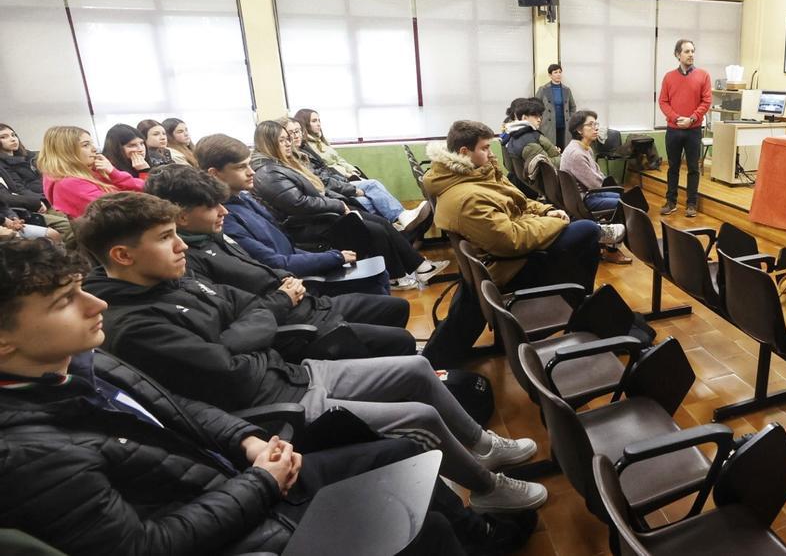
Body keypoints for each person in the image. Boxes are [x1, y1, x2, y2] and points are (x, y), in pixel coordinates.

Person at [0, 238, 534, 555]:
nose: (95, 304)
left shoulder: (85, 361)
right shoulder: (30, 455)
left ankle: (478, 523)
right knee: (429, 529)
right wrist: (259, 482)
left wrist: (248, 441)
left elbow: (185, 410)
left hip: (246, 469)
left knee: (408, 450)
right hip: (245, 524)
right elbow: (148, 547)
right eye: (66, 301)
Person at [74, 192, 549, 513]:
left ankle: (483, 446)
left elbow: (250, 309)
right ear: (122, 255)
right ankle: (487, 491)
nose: (180, 246)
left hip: (291, 370)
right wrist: (243, 331)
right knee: (419, 415)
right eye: (164, 238)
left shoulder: (174, 275)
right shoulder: (132, 324)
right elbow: (227, 369)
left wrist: (237, 332)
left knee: (417, 367)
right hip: (278, 403)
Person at [144, 164, 416, 359]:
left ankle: (391, 367)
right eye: (213, 206)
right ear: (181, 216)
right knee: (399, 341)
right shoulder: (186, 261)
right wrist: (283, 296)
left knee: (396, 307)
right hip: (294, 324)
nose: (223, 211)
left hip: (305, 303)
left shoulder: (212, 236)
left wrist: (282, 279)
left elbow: (259, 266)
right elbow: (234, 320)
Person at [425, 120, 623, 292]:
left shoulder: (476, 174)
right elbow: (511, 240)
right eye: (484, 148)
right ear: (464, 152)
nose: (490, 153)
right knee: (586, 231)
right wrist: (554, 223)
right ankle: (578, 297)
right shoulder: (467, 197)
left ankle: (580, 291)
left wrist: (546, 210)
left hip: (515, 245)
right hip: (511, 268)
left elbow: (517, 199)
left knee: (582, 232)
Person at [250, 120, 447, 289]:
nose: (288, 143)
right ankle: (400, 275)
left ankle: (417, 268)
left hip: (317, 216)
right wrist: (337, 205)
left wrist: (337, 202)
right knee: (373, 229)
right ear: (268, 143)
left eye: (288, 138)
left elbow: (314, 189)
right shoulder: (268, 172)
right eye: (282, 140)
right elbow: (298, 203)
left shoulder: (281, 164)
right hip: (306, 226)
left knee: (379, 223)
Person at [195, 133, 389, 295]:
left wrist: (331, 257)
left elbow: (285, 245)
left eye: (249, 164)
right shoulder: (223, 217)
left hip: (295, 265)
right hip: (290, 284)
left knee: (377, 265)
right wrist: (334, 257)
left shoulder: (244, 198)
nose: (251, 172)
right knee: (376, 279)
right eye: (241, 167)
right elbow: (274, 262)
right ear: (214, 173)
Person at [284, 116, 428, 231]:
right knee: (370, 193)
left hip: (338, 185)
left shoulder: (305, 149)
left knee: (372, 188)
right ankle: (396, 224)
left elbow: (328, 170)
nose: (296, 135)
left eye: (298, 131)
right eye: (291, 133)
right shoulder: (296, 156)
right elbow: (322, 181)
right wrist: (351, 188)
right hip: (332, 195)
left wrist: (348, 176)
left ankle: (397, 224)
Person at [560, 110, 631, 265]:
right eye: (590, 125)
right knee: (623, 202)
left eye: (596, 124)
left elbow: (598, 175)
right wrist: (612, 187)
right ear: (579, 130)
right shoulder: (576, 153)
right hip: (584, 198)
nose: (595, 128)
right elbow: (596, 183)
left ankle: (609, 243)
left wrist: (610, 185)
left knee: (624, 197)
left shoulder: (584, 148)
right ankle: (610, 250)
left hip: (587, 194)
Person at [40, 125, 144, 218]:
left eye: (92, 144)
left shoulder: (95, 172)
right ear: (67, 152)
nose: (94, 149)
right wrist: (144, 171)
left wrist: (114, 173)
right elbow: (121, 209)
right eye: (86, 145)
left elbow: (144, 189)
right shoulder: (69, 183)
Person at [657, 39, 711, 218]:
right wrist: (676, 118)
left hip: (693, 129)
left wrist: (692, 118)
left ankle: (691, 204)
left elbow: (706, 101)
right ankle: (671, 201)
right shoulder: (668, 77)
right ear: (677, 54)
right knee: (673, 167)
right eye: (687, 51)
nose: (691, 55)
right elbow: (663, 101)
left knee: (693, 168)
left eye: (693, 51)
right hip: (673, 129)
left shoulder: (703, 75)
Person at [0, 124, 71, 240]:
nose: (12, 139)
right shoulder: (3, 166)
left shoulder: (31, 157)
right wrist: (39, 200)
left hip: (52, 197)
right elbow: (18, 189)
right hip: (40, 202)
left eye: (13, 135)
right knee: (70, 224)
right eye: (4, 137)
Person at [502, 98, 560, 189]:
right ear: (523, 117)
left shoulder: (510, 135)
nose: (539, 119)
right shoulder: (529, 140)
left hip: (521, 183)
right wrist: (564, 158)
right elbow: (546, 167)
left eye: (540, 116)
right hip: (536, 187)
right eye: (535, 116)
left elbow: (509, 166)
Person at [534, 63, 578, 149]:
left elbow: (572, 107)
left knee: (564, 149)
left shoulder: (567, 90)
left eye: (560, 72)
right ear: (550, 75)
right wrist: (541, 120)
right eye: (555, 72)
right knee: (551, 150)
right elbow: (535, 106)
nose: (558, 74)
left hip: (564, 126)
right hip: (547, 126)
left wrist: (570, 118)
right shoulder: (543, 89)